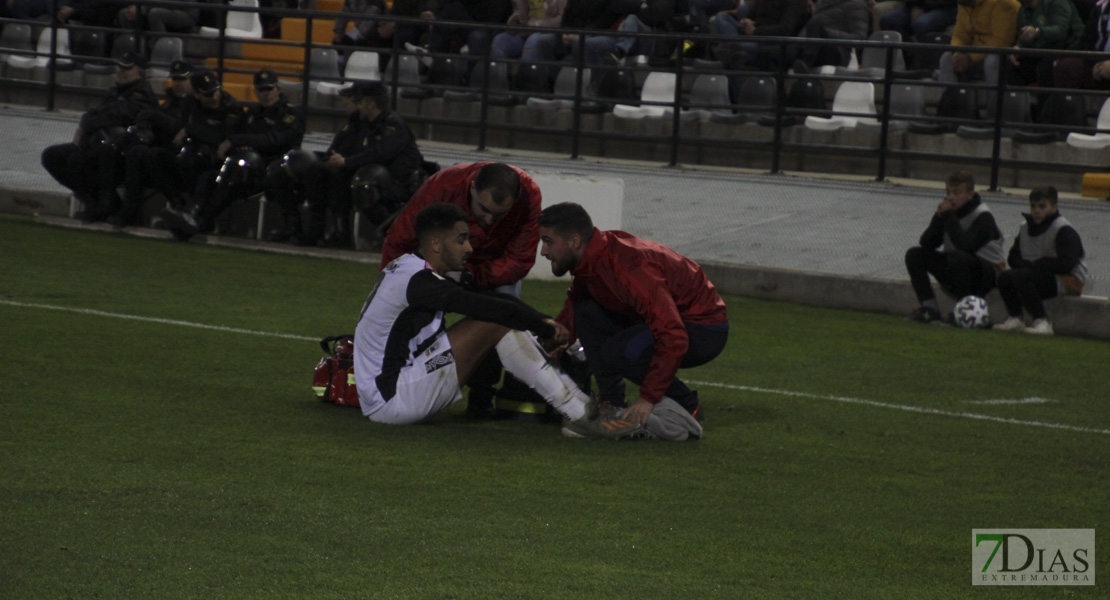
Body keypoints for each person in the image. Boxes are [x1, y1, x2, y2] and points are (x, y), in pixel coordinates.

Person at [353, 202, 644, 439]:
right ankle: (581, 414)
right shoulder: (419, 281)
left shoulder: (415, 269)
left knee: (496, 317)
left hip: (391, 390)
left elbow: (497, 301)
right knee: (494, 322)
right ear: (436, 245)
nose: (468, 248)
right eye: (461, 240)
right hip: (392, 400)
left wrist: (541, 320)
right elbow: (493, 310)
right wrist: (543, 328)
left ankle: (580, 410)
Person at [537, 202, 729, 430]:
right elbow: (578, 302)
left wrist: (648, 398)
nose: (543, 251)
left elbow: (673, 334)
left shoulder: (628, 267)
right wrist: (556, 337)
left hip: (704, 327)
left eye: (548, 242)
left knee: (618, 352)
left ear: (574, 241)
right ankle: (611, 404)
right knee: (586, 311)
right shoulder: (594, 257)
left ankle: (687, 405)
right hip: (673, 321)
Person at [380, 162, 542, 417]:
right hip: (439, 266)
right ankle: (394, 383)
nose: (488, 220)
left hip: (491, 268)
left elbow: (520, 259)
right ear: (472, 187)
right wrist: (393, 285)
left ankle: (481, 397)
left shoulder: (528, 196)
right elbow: (401, 238)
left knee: (500, 311)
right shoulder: (442, 186)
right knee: (408, 316)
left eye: (499, 216)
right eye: (483, 209)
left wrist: (473, 276)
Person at [162, 69, 304, 240]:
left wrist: (237, 141)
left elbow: (272, 139)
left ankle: (199, 221)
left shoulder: (290, 114)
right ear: (255, 91)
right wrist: (238, 142)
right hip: (247, 169)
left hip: (274, 169)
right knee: (210, 176)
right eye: (261, 90)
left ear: (278, 90)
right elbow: (237, 136)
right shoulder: (253, 113)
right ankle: (190, 213)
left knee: (234, 170)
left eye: (269, 89)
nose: (265, 94)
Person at [304, 80, 424, 248]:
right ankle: (334, 232)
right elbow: (346, 148)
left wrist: (346, 161)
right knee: (327, 172)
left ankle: (397, 237)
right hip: (374, 177)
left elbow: (380, 154)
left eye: (359, 102)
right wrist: (336, 160)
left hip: (399, 183)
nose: (355, 105)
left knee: (364, 182)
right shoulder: (361, 123)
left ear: (371, 104)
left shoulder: (393, 124)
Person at [40, 51, 157, 223]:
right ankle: (92, 199)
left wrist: (88, 124)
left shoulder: (142, 94)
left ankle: (105, 203)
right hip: (99, 146)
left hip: (120, 154)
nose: (120, 71)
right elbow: (93, 114)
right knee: (52, 155)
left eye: (127, 68)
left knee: (78, 160)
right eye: (120, 67)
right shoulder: (115, 92)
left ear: (140, 73)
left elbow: (118, 115)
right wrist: (87, 122)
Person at [904, 171, 1006, 324]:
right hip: (959, 267)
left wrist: (949, 217)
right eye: (948, 192)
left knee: (959, 257)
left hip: (989, 273)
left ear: (970, 195)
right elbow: (926, 243)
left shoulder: (983, 216)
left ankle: (960, 312)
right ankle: (929, 309)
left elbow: (965, 246)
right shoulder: (949, 213)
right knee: (914, 255)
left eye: (956, 193)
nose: (950, 197)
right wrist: (939, 219)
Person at [110, 60, 196, 227]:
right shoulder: (169, 102)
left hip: (184, 158)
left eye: (182, 79)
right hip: (162, 154)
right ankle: (117, 205)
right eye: (176, 79)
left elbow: (184, 127)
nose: (178, 83)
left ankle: (175, 205)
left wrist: (155, 118)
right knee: (129, 150)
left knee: (143, 155)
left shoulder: (195, 103)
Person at [993, 186, 1088, 336]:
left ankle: (1042, 321)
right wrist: (1029, 267)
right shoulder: (1025, 228)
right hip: (1039, 275)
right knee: (1005, 277)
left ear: (1054, 207)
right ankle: (1016, 318)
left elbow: (1067, 264)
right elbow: (1013, 257)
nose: (1036, 211)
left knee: (1023, 276)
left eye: (1042, 206)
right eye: (1033, 206)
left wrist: (1037, 265)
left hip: (1067, 280)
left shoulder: (1063, 230)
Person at [937, 0, 1020, 87]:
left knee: (992, 60)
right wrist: (958, 51)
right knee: (947, 58)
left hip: (1005, 55)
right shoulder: (965, 3)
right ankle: (948, 99)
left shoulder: (1003, 3)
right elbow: (960, 35)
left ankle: (995, 100)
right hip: (974, 53)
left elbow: (1002, 42)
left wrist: (970, 57)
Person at [708, 0, 810, 70]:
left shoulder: (796, 2)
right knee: (722, 18)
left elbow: (785, 30)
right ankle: (735, 46)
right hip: (750, 35)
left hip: (768, 41)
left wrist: (755, 31)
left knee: (726, 49)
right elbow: (749, 17)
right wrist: (745, 22)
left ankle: (732, 48)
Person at [1007, 0, 1083, 86]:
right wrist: (1019, 47)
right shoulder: (1023, 9)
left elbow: (1060, 30)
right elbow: (1024, 35)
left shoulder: (1058, 2)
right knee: (1011, 63)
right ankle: (1014, 98)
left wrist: (1038, 31)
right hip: (1040, 50)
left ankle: (1051, 99)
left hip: (1066, 48)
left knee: (1045, 68)